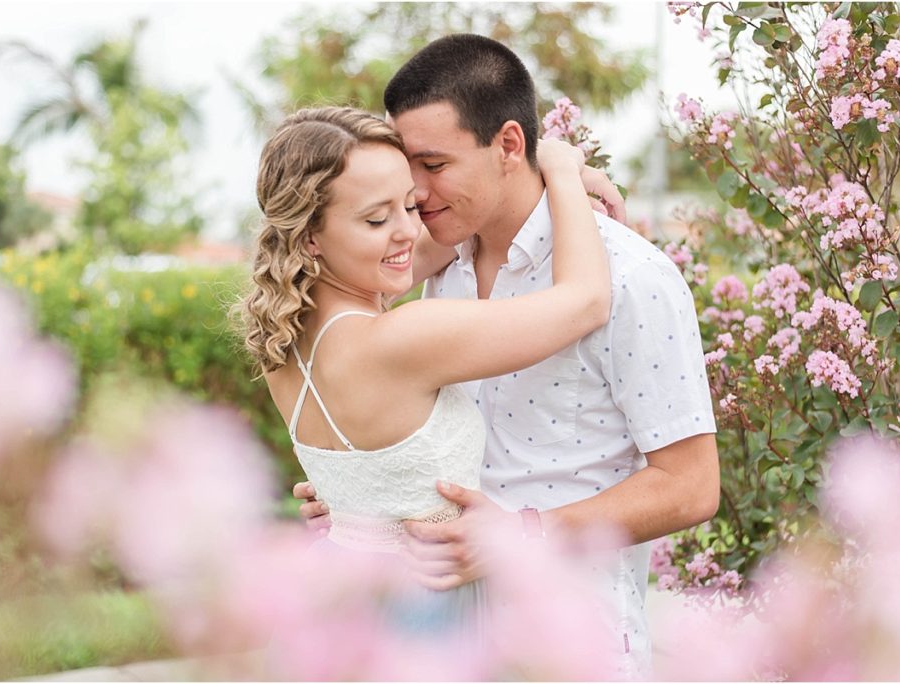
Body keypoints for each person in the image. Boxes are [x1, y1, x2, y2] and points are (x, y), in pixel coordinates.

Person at [295, 34, 721, 677]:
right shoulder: (437, 260)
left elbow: (691, 487)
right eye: (408, 166)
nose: (416, 191)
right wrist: (366, 493)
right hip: (440, 638)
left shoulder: (633, 277)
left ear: (510, 146)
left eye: (433, 165)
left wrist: (520, 534)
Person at [242, 106, 612, 631]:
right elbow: (586, 301)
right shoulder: (400, 339)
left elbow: (443, 239)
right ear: (309, 239)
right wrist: (559, 166)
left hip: (341, 587)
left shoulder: (284, 339)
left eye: (411, 206)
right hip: (420, 603)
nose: (407, 231)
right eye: (376, 218)